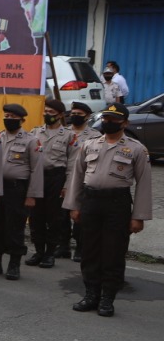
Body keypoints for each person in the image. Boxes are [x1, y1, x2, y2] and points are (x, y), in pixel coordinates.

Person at [64, 103, 153, 316]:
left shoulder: (136, 148)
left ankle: (107, 298)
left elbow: (144, 184)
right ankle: (91, 294)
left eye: (114, 120)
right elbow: (77, 176)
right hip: (91, 201)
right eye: (106, 118)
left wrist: (138, 216)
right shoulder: (90, 144)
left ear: (125, 123)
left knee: (113, 252)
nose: (108, 123)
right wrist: (74, 205)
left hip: (117, 204)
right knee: (89, 250)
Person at [0, 103, 43, 281]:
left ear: (22, 120)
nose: (8, 120)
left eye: (12, 117)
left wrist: (32, 195)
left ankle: (14, 264)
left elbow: (36, 170)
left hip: (17, 189)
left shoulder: (31, 140)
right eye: (6, 116)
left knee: (14, 227)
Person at [26, 98, 76, 269]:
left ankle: (50, 254)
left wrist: (67, 186)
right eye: (45, 112)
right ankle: (39, 251)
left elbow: (72, 164)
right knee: (35, 216)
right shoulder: (35, 132)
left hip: (57, 177)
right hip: (37, 177)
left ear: (61, 115)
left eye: (51, 113)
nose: (47, 115)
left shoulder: (69, 135)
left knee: (54, 217)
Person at [64, 101, 99, 262]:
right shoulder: (63, 133)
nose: (75, 116)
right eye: (73, 114)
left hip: (82, 180)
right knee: (61, 216)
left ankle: (80, 247)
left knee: (79, 216)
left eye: (79, 114)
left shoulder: (95, 136)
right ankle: (63, 246)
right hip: (62, 178)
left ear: (87, 116)